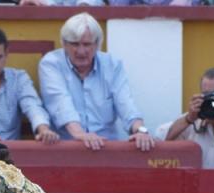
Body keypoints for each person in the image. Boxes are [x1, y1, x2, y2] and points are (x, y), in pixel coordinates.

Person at [38, 12, 154, 152]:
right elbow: (61, 102)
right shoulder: (51, 63)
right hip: (67, 149)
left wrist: (140, 130)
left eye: (87, 44)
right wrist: (80, 134)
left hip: (106, 149)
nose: (81, 51)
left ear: (98, 44)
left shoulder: (112, 64)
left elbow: (126, 103)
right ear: (64, 44)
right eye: (75, 44)